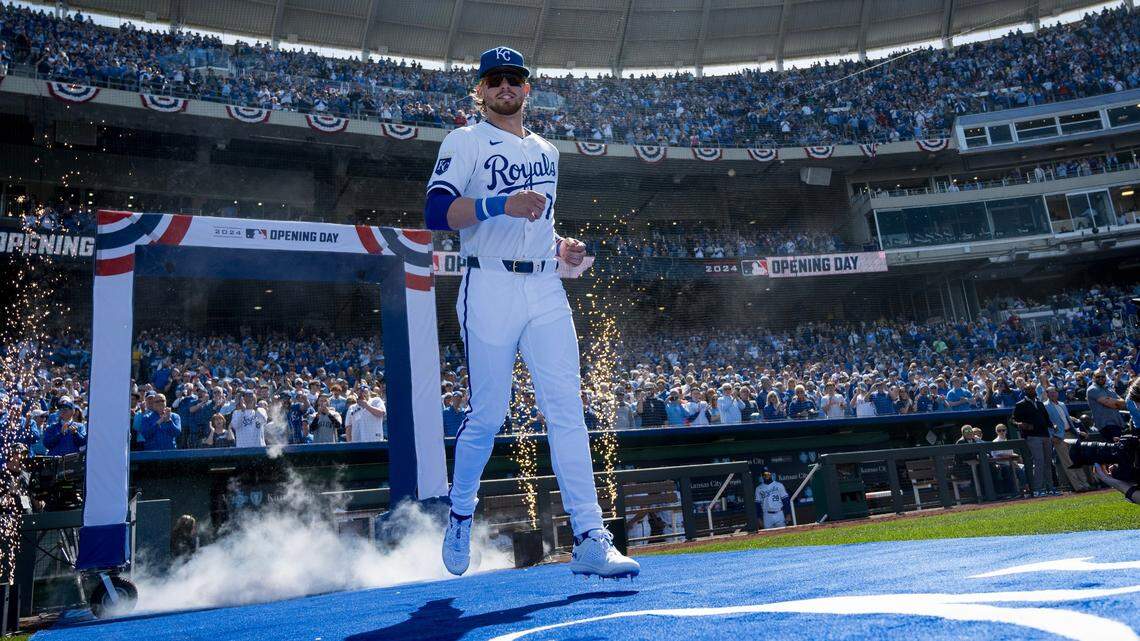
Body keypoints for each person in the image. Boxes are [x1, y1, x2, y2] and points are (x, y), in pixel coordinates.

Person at [423, 46, 637, 578]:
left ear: (526, 88)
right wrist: (499, 204)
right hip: (487, 282)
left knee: (567, 409)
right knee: (488, 416)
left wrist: (563, 247)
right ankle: (460, 512)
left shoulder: (548, 151)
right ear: (480, 89)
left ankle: (589, 537)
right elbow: (435, 212)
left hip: (544, 286)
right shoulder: (465, 140)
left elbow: (540, 223)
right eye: (493, 79)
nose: (504, 86)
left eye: (513, 78)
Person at [1011, 383, 1057, 496]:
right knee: (1039, 462)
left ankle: (1050, 488)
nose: (1033, 391)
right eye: (1030, 389)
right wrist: (1021, 425)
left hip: (1045, 435)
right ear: (1025, 391)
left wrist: (1053, 426)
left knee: (1048, 462)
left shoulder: (1040, 403)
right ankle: (1037, 489)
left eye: (1033, 389)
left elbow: (1047, 419)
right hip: (1032, 436)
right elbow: (1012, 420)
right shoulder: (1020, 404)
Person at [1043, 386, 1091, 492]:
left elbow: (1068, 420)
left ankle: (1085, 484)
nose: (1053, 394)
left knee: (1076, 459)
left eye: (1054, 392)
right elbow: (1046, 423)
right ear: (1047, 394)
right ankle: (1078, 486)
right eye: (1050, 393)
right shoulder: (1045, 406)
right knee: (1068, 462)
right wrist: (1052, 436)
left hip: (1070, 433)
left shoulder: (1062, 404)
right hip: (1059, 436)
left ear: (1057, 393)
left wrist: (1078, 432)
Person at [1086, 370, 1126, 441]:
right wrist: (1116, 403)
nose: (1101, 378)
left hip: (1116, 422)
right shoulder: (1092, 389)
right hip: (1105, 425)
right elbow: (1110, 404)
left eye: (1103, 376)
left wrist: (1112, 401)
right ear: (1093, 378)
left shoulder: (1109, 389)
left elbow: (1123, 403)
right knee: (1112, 449)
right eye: (1098, 376)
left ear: (1106, 377)